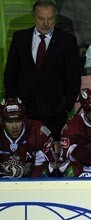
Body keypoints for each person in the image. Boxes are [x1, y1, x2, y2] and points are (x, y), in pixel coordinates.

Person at [4, 0, 81, 141]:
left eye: (50, 18)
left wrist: (64, 107)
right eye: (41, 18)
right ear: (33, 16)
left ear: (55, 17)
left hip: (56, 113)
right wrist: (15, 105)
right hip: (24, 112)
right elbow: (10, 74)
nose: (46, 23)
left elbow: (74, 78)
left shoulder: (67, 41)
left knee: (54, 157)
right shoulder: (19, 38)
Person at [0, 97, 55, 178]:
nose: (14, 126)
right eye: (10, 121)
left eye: (18, 120)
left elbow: (50, 164)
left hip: (31, 184)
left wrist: (33, 183)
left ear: (24, 119)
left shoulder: (38, 132)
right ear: (2, 121)